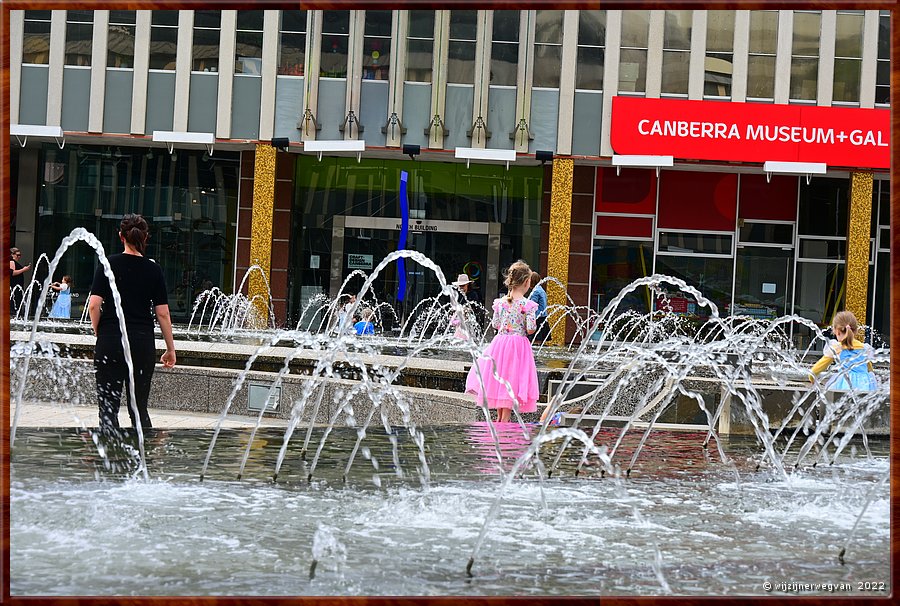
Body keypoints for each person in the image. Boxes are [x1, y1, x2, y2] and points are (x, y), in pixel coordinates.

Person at [88, 214, 176, 433]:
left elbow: (93, 305)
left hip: (110, 340)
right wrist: (170, 348)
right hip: (141, 343)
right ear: (145, 238)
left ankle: (109, 461)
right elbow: (163, 313)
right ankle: (144, 459)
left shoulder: (108, 264)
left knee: (108, 409)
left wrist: (101, 331)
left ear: (121, 237)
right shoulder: (153, 269)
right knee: (139, 409)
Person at [465, 260, 539, 423]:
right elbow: (531, 329)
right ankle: (503, 427)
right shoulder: (528, 304)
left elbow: (496, 325)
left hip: (500, 345)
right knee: (512, 380)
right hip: (518, 346)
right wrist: (527, 315)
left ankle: (499, 421)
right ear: (527, 282)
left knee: (501, 380)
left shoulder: (501, 303)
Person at [808, 310, 877, 391]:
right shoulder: (864, 347)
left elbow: (819, 367)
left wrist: (812, 378)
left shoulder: (837, 348)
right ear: (855, 331)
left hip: (845, 383)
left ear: (837, 331)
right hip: (865, 384)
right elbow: (870, 369)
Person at [450, 273, 479, 340]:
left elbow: (475, 308)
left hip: (469, 321)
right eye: (460, 286)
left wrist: (466, 311)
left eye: (463, 285)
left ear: (467, 285)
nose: (461, 288)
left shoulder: (473, 295)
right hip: (459, 322)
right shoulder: (457, 295)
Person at [528, 271, 549, 343]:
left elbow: (532, 305)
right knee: (539, 340)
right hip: (543, 317)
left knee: (534, 340)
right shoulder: (541, 290)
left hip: (537, 318)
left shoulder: (535, 291)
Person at [10, 247, 31, 313]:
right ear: (12, 255)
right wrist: (23, 269)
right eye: (17, 255)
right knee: (15, 301)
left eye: (20, 255)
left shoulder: (14, 262)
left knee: (18, 301)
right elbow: (12, 273)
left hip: (17, 286)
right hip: (14, 285)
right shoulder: (11, 261)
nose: (19, 257)